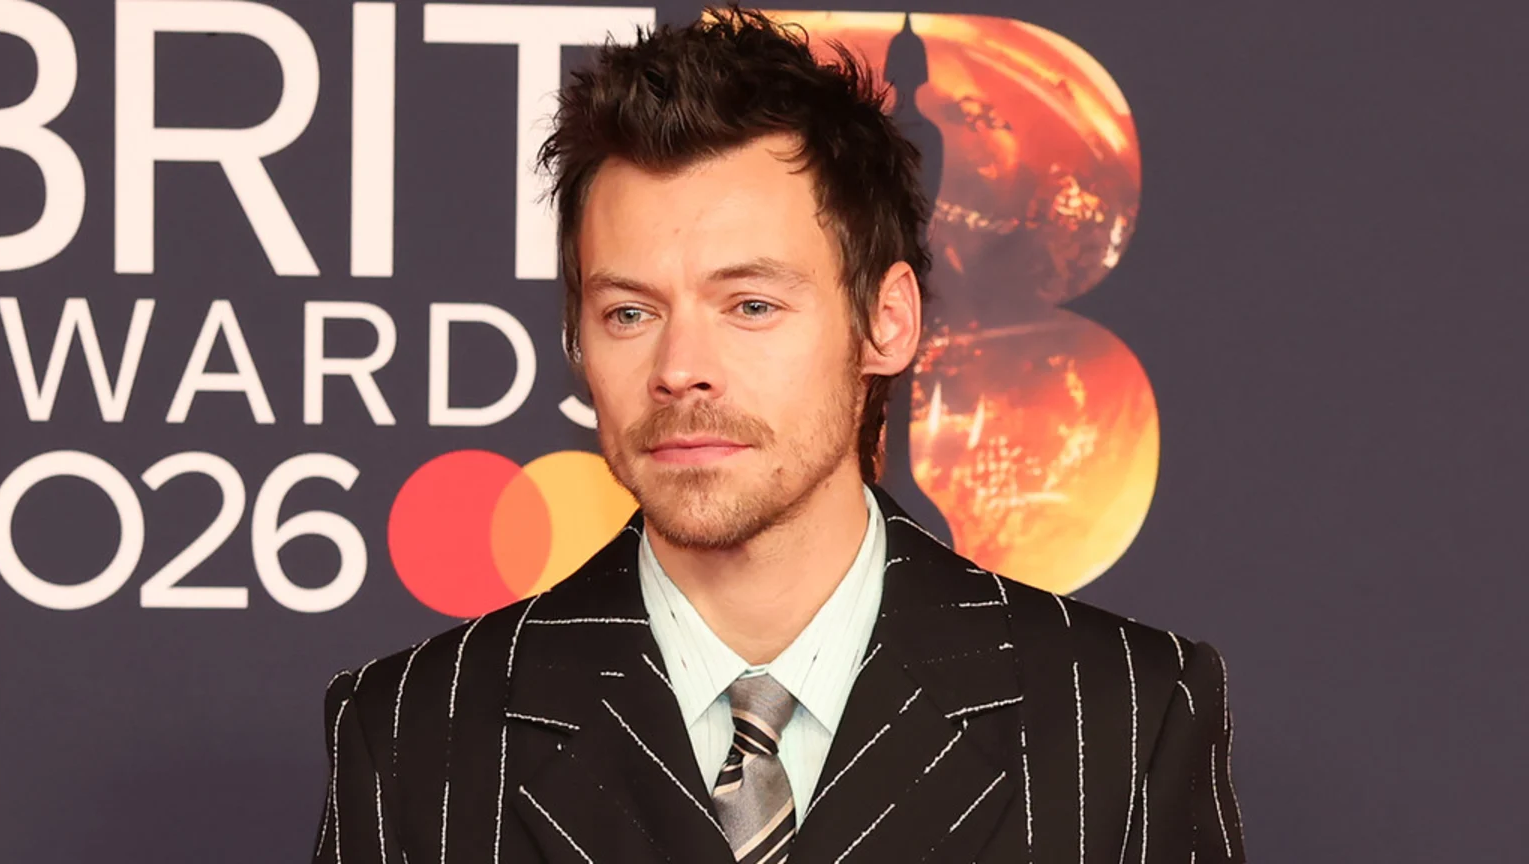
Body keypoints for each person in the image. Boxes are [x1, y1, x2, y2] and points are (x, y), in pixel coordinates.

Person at [311, 7, 1246, 863]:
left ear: (887, 321)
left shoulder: (1123, 719)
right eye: (630, 313)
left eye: (751, 304)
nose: (681, 366)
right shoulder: (417, 736)